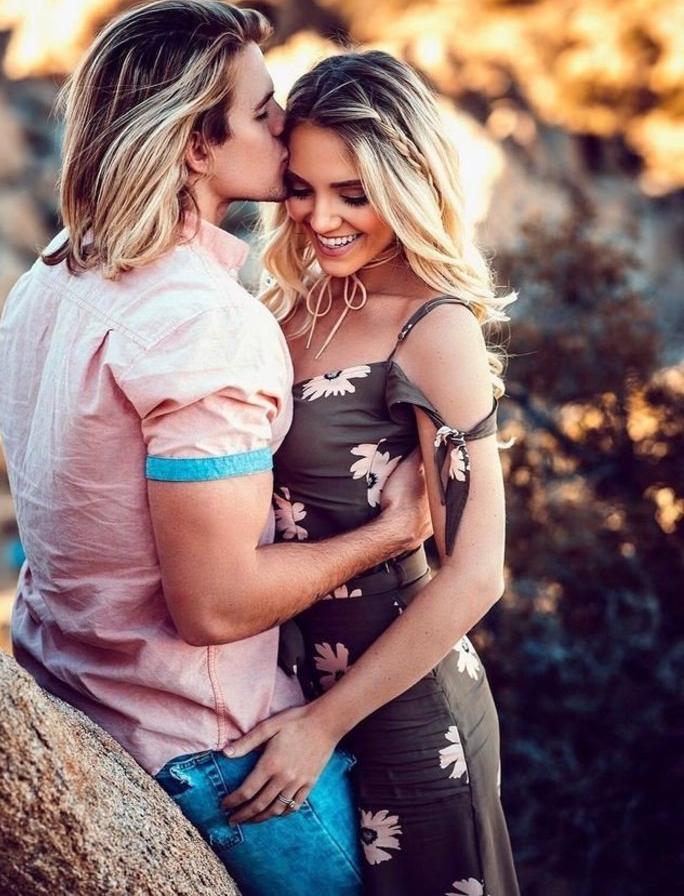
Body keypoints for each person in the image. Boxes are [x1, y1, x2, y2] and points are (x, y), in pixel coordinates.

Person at [0, 0, 431, 896]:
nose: (286, 125)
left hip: (71, 699)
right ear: (197, 144)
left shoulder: (54, 271)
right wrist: (391, 532)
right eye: (263, 111)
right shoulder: (204, 323)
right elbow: (217, 607)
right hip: (210, 752)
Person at [218, 50, 521, 896]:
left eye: (353, 193)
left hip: (412, 716)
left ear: (406, 181)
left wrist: (323, 724)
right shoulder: (286, 306)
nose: (322, 217)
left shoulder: (435, 327)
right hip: (286, 694)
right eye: (302, 189)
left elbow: (477, 573)